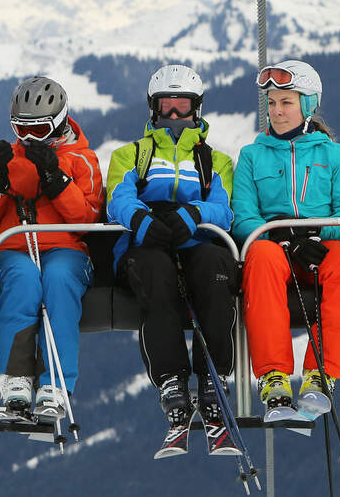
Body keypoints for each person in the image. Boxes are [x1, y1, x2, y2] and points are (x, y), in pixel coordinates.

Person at [105, 65, 239, 455]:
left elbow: (223, 209)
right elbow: (118, 198)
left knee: (216, 273)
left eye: (183, 107)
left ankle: (213, 378)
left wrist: (193, 216)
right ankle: (172, 381)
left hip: (195, 240)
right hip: (147, 243)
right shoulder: (131, 154)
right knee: (155, 276)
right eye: (167, 106)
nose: (175, 116)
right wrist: (142, 220)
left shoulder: (215, 162)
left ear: (197, 109)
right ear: (153, 108)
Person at [232, 60, 340, 420]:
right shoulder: (251, 156)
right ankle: (273, 375)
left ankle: (320, 374)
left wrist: (315, 233)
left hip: (317, 247)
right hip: (274, 248)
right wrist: (276, 233)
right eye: (272, 103)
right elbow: (244, 218)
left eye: (286, 103)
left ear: (308, 104)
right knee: (260, 257)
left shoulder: (334, 155)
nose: (277, 112)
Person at [0, 76, 103, 421]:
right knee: (24, 278)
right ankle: (18, 376)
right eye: (22, 129)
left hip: (66, 251)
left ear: (59, 123)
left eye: (40, 130)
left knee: (59, 279)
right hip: (13, 248)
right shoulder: (10, 159)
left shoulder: (81, 159)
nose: (29, 139)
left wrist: (56, 180)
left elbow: (86, 217)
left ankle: (55, 383)